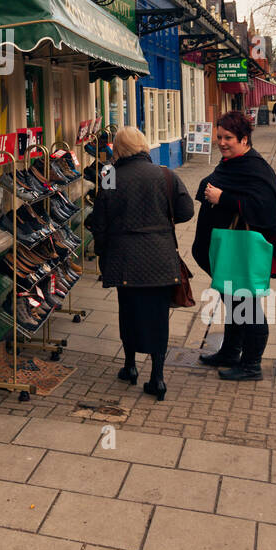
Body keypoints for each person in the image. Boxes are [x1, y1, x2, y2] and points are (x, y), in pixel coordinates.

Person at [90, 127, 194, 401]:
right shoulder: (165, 174)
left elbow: (100, 219)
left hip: (125, 258)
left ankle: (130, 366)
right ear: (144, 145)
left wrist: (102, 250)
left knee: (129, 312)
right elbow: (186, 211)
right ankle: (157, 378)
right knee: (159, 317)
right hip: (160, 257)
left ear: (118, 149)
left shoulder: (110, 175)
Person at [192, 110, 276, 381]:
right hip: (229, 251)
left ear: (244, 139)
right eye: (219, 136)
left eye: (228, 138)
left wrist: (224, 198)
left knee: (247, 308)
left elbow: (267, 208)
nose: (221, 142)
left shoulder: (254, 168)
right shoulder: (230, 163)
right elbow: (205, 187)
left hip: (243, 254)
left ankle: (251, 365)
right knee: (233, 303)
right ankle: (230, 352)